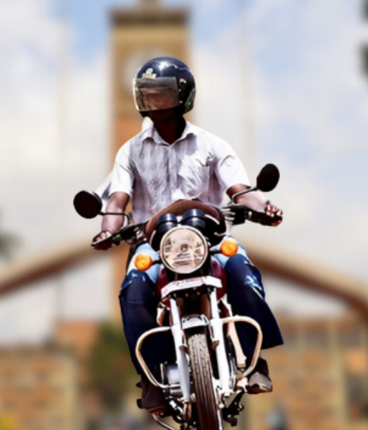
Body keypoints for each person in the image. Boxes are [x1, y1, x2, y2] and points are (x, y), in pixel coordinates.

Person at [92, 57, 284, 413]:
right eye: (147, 95)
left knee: (243, 275)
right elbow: (118, 199)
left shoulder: (212, 145)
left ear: (183, 96)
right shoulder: (130, 152)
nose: (155, 102)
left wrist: (264, 206)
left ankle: (256, 360)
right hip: (153, 244)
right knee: (132, 292)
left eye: (162, 94)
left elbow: (240, 190)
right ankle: (151, 376)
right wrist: (107, 229)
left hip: (208, 239)